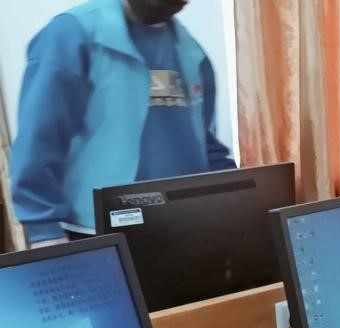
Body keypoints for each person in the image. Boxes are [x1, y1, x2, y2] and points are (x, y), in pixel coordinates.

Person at [11, 0, 235, 248]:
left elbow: (206, 147)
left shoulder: (191, 52)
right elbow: (38, 142)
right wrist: (44, 231)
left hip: (182, 230)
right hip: (94, 234)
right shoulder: (74, 35)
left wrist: (242, 201)